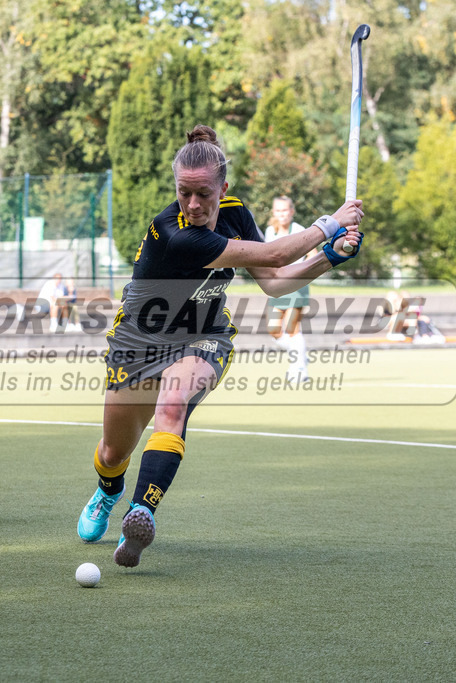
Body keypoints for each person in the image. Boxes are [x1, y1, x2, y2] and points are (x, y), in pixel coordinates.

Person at [75, 125, 363, 568]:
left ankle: (140, 514)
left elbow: (274, 283)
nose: (193, 204)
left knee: (173, 406)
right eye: (183, 193)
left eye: (203, 194)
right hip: (138, 340)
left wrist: (331, 257)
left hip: (203, 334)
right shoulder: (173, 232)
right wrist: (330, 226)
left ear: (222, 188)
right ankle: (108, 492)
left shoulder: (235, 213)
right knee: (113, 453)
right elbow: (273, 257)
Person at [264, 196, 313, 381]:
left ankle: (299, 370)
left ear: (292, 211)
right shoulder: (270, 231)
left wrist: (299, 274)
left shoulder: (300, 230)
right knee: (274, 330)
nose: (282, 214)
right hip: (277, 286)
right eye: (278, 210)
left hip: (296, 285)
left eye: (285, 210)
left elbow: (312, 255)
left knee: (292, 328)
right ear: (273, 212)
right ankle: (300, 353)